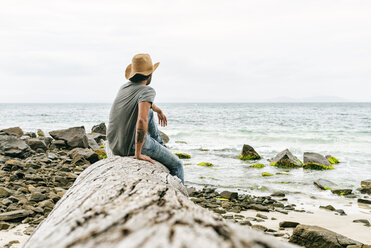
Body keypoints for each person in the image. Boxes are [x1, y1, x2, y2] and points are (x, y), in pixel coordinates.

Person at [107, 53, 184, 184]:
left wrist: (156, 108)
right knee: (178, 165)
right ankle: (182, 198)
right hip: (131, 147)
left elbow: (143, 104)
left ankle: (160, 145)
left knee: (149, 112)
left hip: (115, 143)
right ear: (150, 75)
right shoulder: (147, 90)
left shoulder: (124, 87)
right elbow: (141, 121)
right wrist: (138, 154)